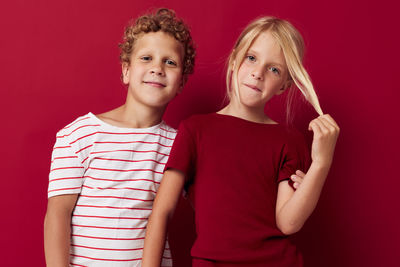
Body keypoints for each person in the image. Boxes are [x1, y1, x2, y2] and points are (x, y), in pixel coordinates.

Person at [142, 16, 339, 266]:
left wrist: (321, 163)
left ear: (283, 85)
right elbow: (162, 212)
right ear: (235, 59)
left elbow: (289, 222)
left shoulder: (289, 139)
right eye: (252, 58)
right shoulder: (195, 130)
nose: (258, 73)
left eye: (274, 69)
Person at [43, 8, 196, 267]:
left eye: (169, 62)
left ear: (181, 82)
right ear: (126, 71)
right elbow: (58, 214)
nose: (157, 68)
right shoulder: (79, 135)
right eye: (146, 58)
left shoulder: (181, 144)